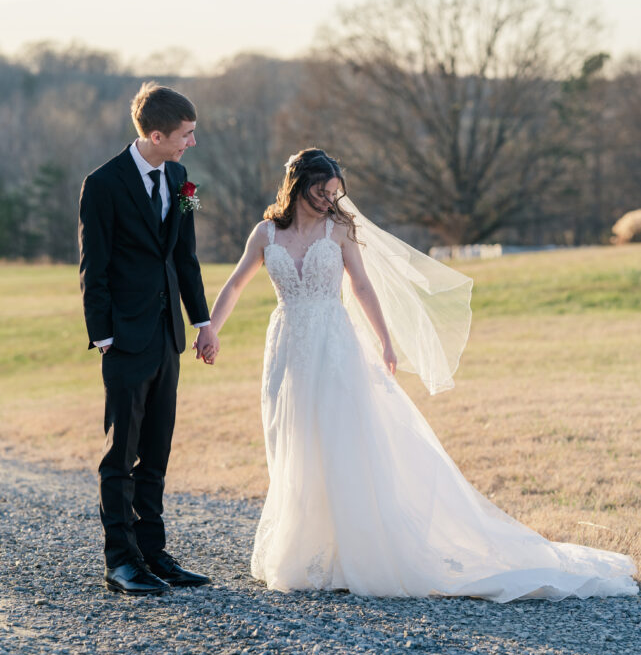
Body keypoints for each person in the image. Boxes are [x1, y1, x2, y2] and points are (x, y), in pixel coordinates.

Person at [207, 148, 637, 602]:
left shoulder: (340, 230)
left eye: (335, 192)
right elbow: (235, 283)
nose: (330, 200)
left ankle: (351, 549)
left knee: (339, 439)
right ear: (299, 186)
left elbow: (363, 286)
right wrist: (211, 329)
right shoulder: (265, 233)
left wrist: (387, 342)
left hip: (334, 346)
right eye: (322, 191)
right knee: (293, 438)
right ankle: (304, 549)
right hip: (287, 347)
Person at [79, 82, 219, 595]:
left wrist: (202, 323)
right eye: (186, 135)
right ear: (156, 134)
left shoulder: (182, 178)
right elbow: (93, 266)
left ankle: (154, 554)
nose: (192, 143)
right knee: (122, 453)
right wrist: (104, 338)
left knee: (156, 450)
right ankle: (122, 561)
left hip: (168, 337)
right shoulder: (102, 184)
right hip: (124, 338)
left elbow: (185, 257)